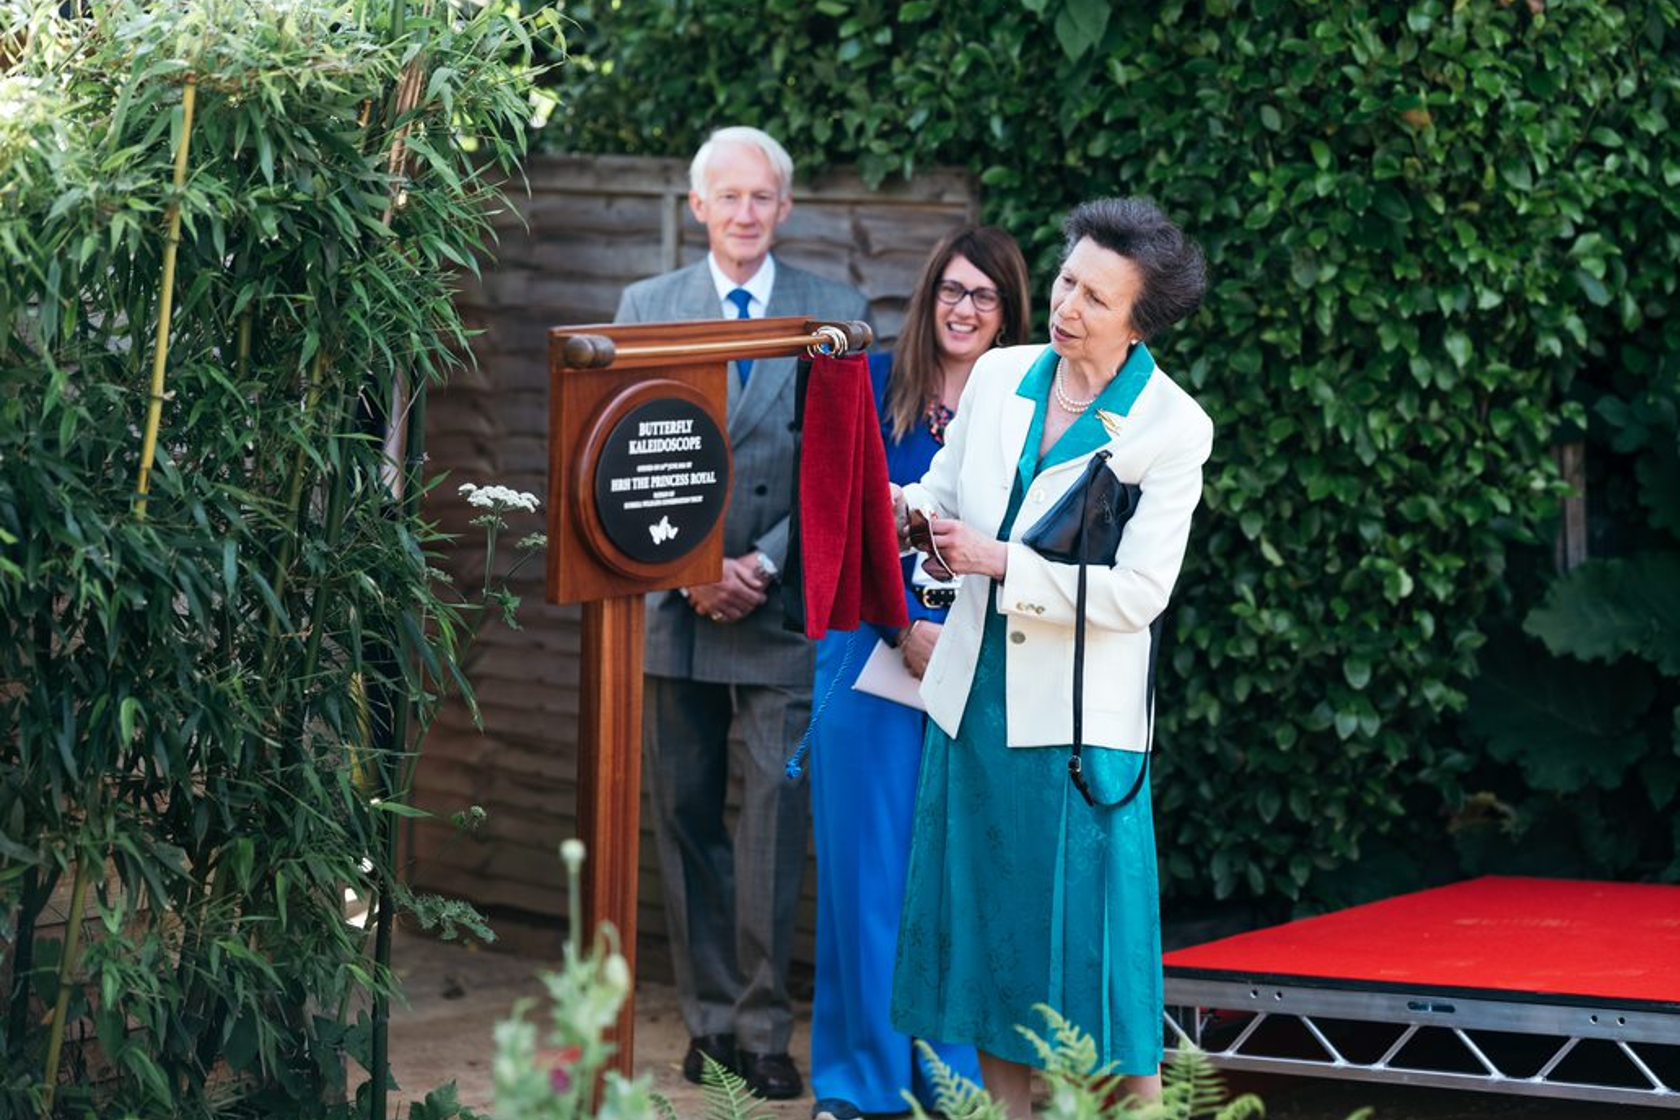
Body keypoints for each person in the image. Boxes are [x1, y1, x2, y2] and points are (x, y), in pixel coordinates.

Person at [888, 198, 1213, 1117]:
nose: (1066, 306)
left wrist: (1005, 563)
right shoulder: (999, 375)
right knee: (992, 959)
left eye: (1095, 298)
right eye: (1066, 279)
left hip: (1081, 737)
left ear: (1138, 321)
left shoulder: (1172, 426)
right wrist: (909, 512)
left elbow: (1139, 597)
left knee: (1101, 983)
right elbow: (942, 495)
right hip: (973, 709)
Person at [613, 126, 870, 1101]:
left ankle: (766, 1032)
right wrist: (691, 567)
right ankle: (710, 1023)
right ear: (698, 208)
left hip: (783, 605)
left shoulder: (836, 311)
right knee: (685, 822)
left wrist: (761, 559)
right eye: (729, 197)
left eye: (763, 196)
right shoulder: (646, 308)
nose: (746, 212)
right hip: (677, 610)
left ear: (786, 208)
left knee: (772, 824)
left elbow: (842, 465)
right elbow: (627, 457)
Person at [806, 227, 1032, 1120]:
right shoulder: (871, 391)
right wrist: (901, 624)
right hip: (868, 657)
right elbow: (834, 525)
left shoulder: (1030, 409)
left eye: (984, 296)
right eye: (950, 289)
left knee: (958, 879)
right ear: (925, 296)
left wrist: (951, 635)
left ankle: (954, 1088)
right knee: (865, 882)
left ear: (1010, 312)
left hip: (978, 670)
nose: (964, 309)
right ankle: (860, 1087)